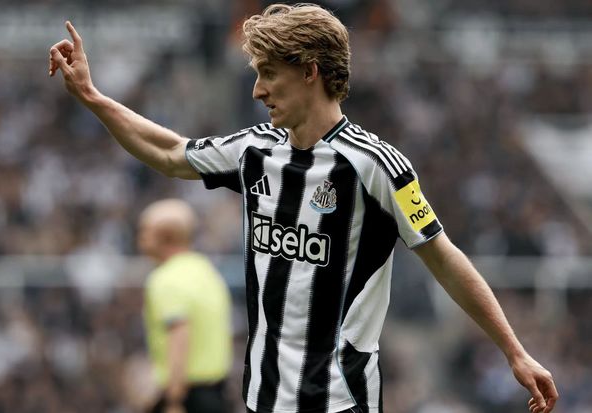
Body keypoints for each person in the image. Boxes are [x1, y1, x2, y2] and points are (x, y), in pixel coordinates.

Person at [49, 4, 558, 413]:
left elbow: (443, 257)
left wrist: (514, 352)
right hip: (262, 397)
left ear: (310, 71)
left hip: (339, 400)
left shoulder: (377, 165)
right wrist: (92, 97)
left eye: (269, 74)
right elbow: (168, 153)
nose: (257, 90)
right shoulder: (255, 150)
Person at [137, 199, 233, 413]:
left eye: (145, 231)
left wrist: (174, 400)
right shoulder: (206, 270)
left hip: (188, 395)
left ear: (166, 235)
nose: (140, 238)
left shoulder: (166, 279)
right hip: (217, 392)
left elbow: (179, 334)